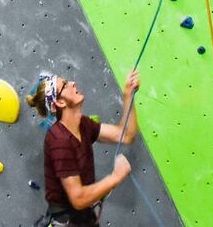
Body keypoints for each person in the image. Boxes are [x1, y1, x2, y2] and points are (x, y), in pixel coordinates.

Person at [26, 68, 140, 226]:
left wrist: (128, 95)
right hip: (68, 221)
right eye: (65, 85)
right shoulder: (59, 140)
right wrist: (115, 177)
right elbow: (78, 198)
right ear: (60, 102)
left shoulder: (83, 124)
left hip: (83, 218)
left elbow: (126, 135)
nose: (72, 83)